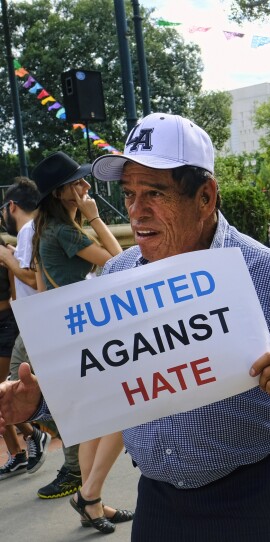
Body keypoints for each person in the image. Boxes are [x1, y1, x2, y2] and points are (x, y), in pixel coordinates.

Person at [0, 113, 270, 541]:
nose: (137, 211)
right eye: (129, 194)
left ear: (206, 197)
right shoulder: (117, 274)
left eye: (155, 193)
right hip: (159, 502)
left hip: (255, 499)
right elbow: (99, 384)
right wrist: (39, 404)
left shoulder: (267, 271)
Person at [29, 152, 130, 532]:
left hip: (66, 336)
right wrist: (95, 217)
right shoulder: (66, 232)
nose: (87, 187)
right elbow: (119, 261)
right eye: (79, 183)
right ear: (61, 192)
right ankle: (88, 495)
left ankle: (92, 501)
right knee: (127, 410)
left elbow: (41, 291)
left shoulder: (47, 230)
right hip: (85, 337)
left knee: (92, 421)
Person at [0, 179, 52, 482]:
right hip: (29, 323)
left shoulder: (30, 231)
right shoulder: (26, 233)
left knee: (17, 392)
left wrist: (7, 259)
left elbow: (34, 279)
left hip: (36, 323)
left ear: (12, 206)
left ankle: (40, 438)